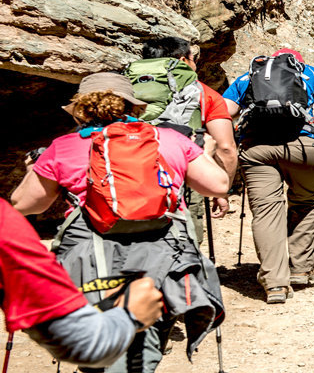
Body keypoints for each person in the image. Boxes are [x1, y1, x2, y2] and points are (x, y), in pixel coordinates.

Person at [10, 72, 229, 373]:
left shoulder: (62, 147)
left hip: (92, 255)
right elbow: (217, 185)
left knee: (99, 336)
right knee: (148, 335)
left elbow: (24, 205)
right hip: (161, 250)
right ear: (133, 107)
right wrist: (207, 154)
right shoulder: (168, 139)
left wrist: (35, 169)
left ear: (80, 110)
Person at [222, 49, 314, 304]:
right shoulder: (309, 73)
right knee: (305, 203)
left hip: (256, 149)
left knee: (266, 212)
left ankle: (275, 283)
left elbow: (225, 110)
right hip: (304, 147)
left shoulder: (249, 76)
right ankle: (300, 270)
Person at [1, 199, 163, 369]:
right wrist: (130, 316)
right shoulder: (4, 220)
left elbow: (23, 200)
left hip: (82, 247)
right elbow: (83, 343)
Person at [139, 37, 238, 244]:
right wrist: (221, 190)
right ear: (184, 60)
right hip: (185, 171)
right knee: (185, 239)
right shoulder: (204, 93)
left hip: (128, 165)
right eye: (194, 58)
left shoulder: (125, 85)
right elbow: (226, 147)